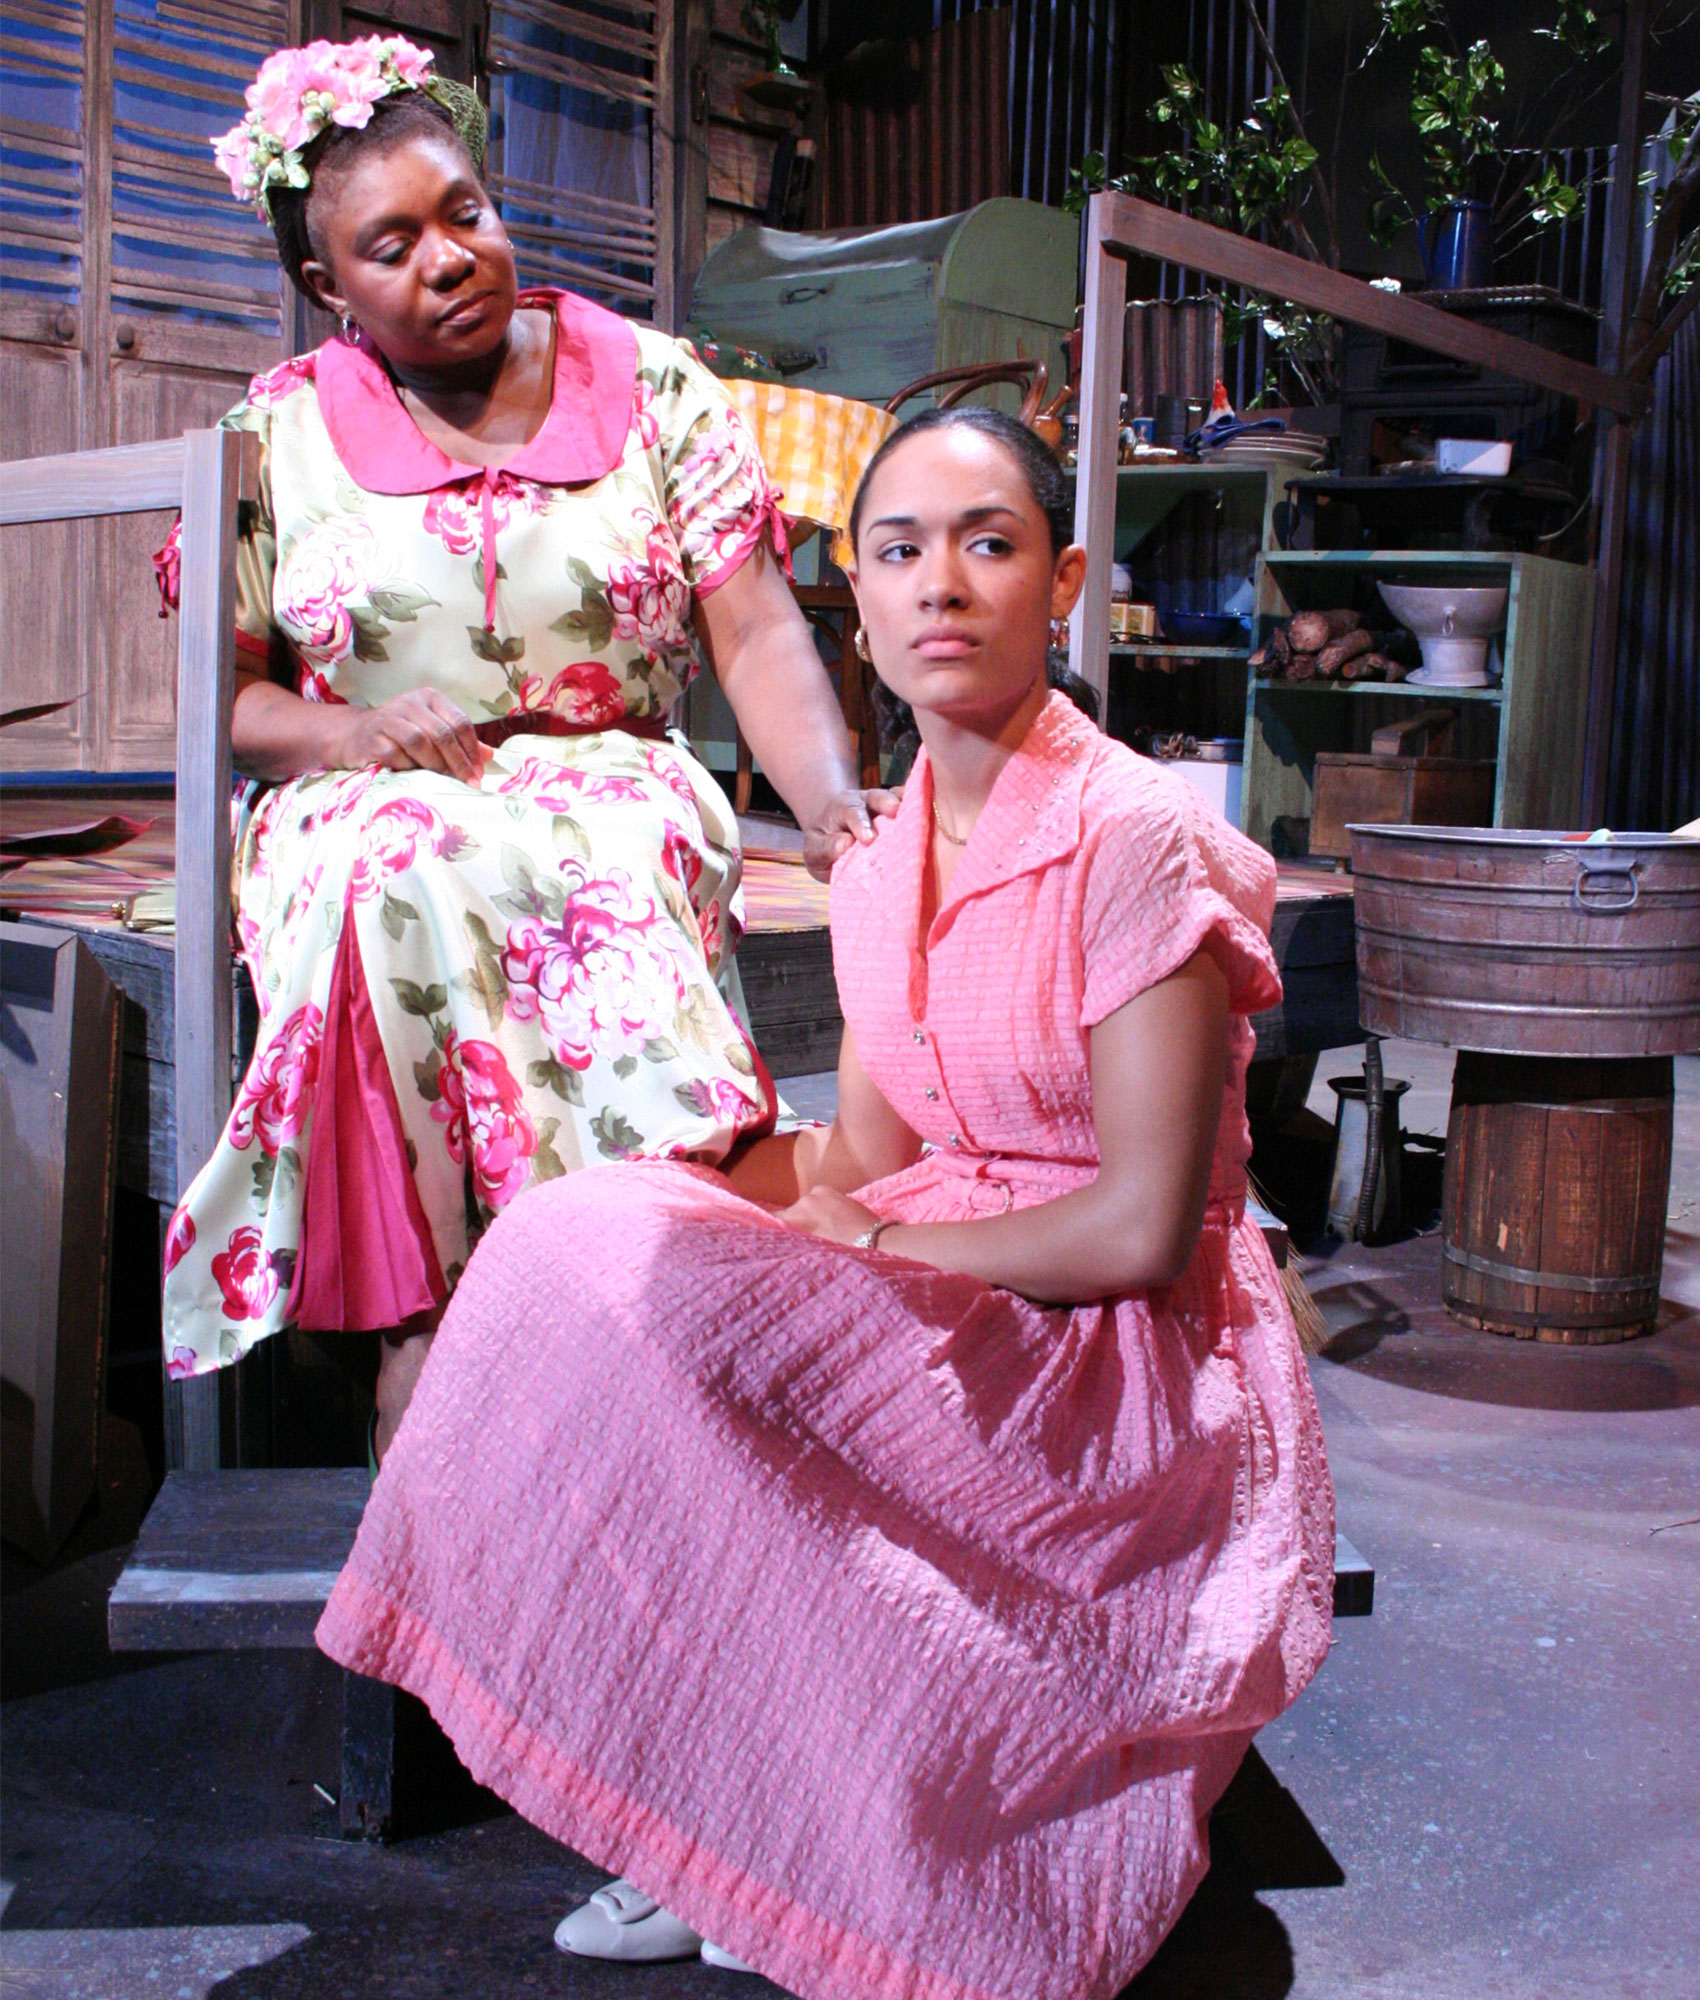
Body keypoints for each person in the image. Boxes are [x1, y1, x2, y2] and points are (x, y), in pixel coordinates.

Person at [316, 405, 1335, 1998]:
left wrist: (866, 1248)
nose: (942, 585)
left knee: (680, 1297)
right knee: (589, 1259)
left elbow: (1139, 1227)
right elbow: (860, 1155)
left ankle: (828, 1852)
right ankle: (716, 1819)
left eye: (988, 545)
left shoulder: (1133, 840)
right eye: (899, 550)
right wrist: (699, 1201)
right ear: (852, 597)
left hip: (1119, 1351)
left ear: (1061, 583)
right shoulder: (873, 857)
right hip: (954, 1269)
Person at [157, 37, 890, 1453]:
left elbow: (750, 634)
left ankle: (634, 1282)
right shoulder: (279, 432)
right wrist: (349, 730)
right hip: (365, 782)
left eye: (466, 213)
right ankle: (430, 1318)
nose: (449, 257)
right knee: (397, 860)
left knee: (592, 851)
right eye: (392, 245)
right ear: (328, 289)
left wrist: (832, 806)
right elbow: (231, 699)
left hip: (609, 775)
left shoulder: (656, 384)